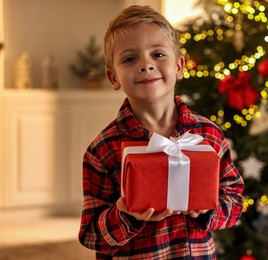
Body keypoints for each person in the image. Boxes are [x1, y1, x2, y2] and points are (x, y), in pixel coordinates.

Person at [78, 5, 244, 259]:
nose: (146, 64)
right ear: (113, 78)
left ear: (179, 66)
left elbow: (234, 200)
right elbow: (92, 234)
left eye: (157, 54)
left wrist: (208, 209)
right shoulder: (103, 149)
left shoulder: (209, 136)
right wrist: (125, 215)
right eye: (130, 58)